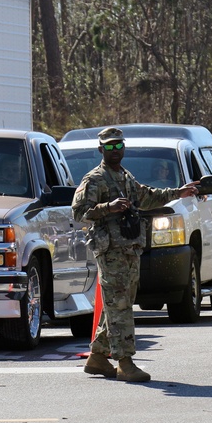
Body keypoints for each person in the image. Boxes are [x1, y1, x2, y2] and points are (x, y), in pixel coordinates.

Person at [72, 128, 198, 382]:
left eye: (118, 146)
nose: (115, 151)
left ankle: (97, 357)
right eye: (109, 147)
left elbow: (147, 196)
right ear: (100, 150)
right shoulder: (95, 179)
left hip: (129, 249)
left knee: (120, 304)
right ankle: (125, 362)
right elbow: (79, 212)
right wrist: (109, 207)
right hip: (111, 253)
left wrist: (178, 192)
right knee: (119, 305)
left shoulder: (125, 177)